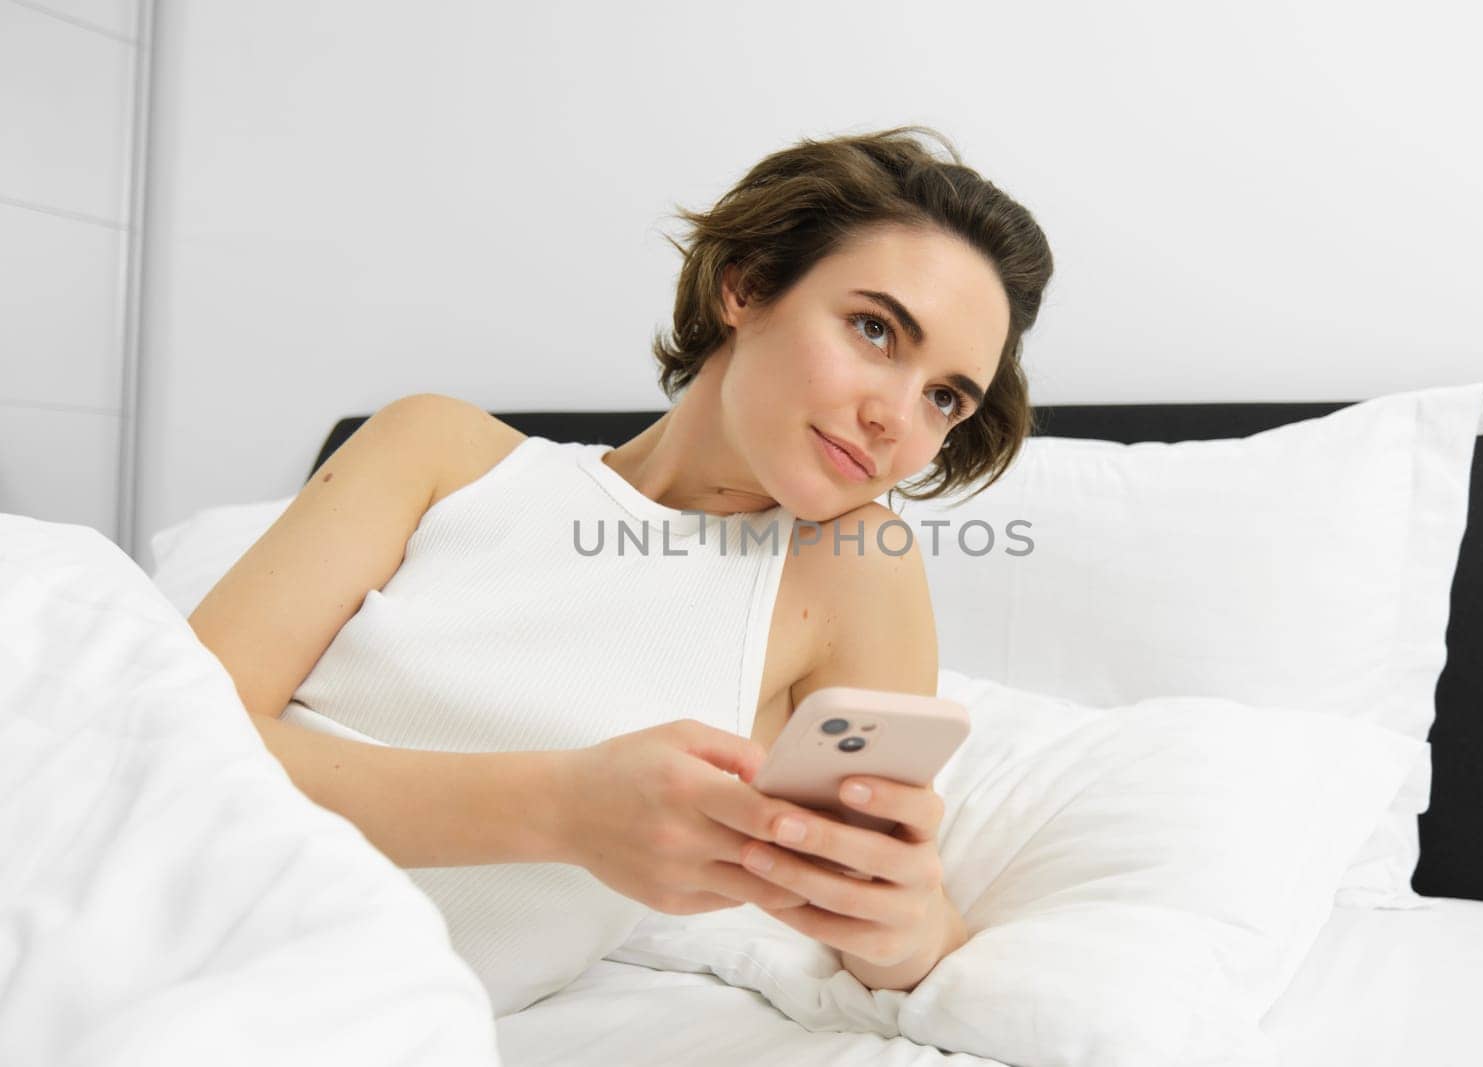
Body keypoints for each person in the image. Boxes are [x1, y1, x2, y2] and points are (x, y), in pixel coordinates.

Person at [189, 126, 1052, 1004]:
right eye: (874, 330)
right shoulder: (439, 452)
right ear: (746, 286)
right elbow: (164, 737)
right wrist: (564, 806)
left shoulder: (851, 571)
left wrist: (904, 928)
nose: (896, 418)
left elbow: (889, 914)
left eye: (945, 397)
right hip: (152, 900)